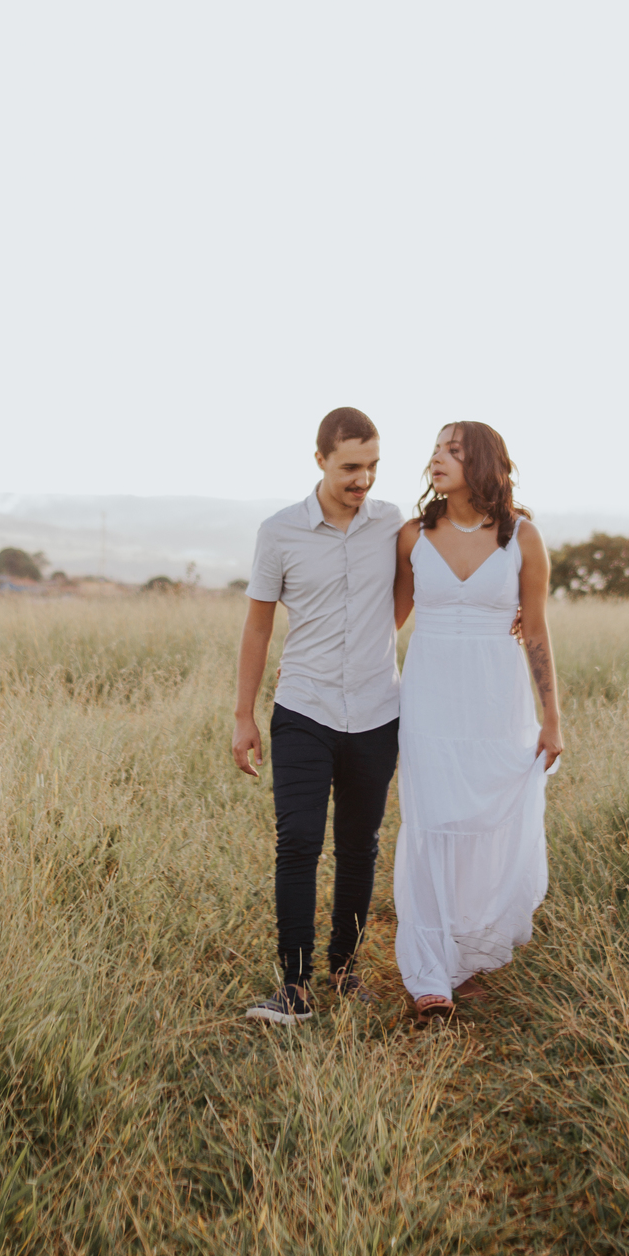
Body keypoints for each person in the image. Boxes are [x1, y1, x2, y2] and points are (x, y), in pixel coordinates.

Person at [233, 407, 402, 1024]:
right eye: (351, 467)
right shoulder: (279, 531)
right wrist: (244, 715)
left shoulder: (393, 524)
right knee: (298, 843)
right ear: (321, 460)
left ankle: (345, 971)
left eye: (373, 466)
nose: (364, 479)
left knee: (360, 847)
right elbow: (257, 626)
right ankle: (295, 988)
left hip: (378, 710)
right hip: (304, 707)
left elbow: (416, 589)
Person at [392, 421, 563, 1021]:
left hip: (497, 701)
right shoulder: (412, 535)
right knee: (431, 823)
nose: (438, 458)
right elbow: (387, 623)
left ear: (484, 462)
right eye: (436, 449)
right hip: (429, 701)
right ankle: (429, 971)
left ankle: (469, 955)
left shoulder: (523, 538)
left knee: (485, 825)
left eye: (454, 450)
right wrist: (318, 662)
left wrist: (552, 719)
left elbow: (536, 632)